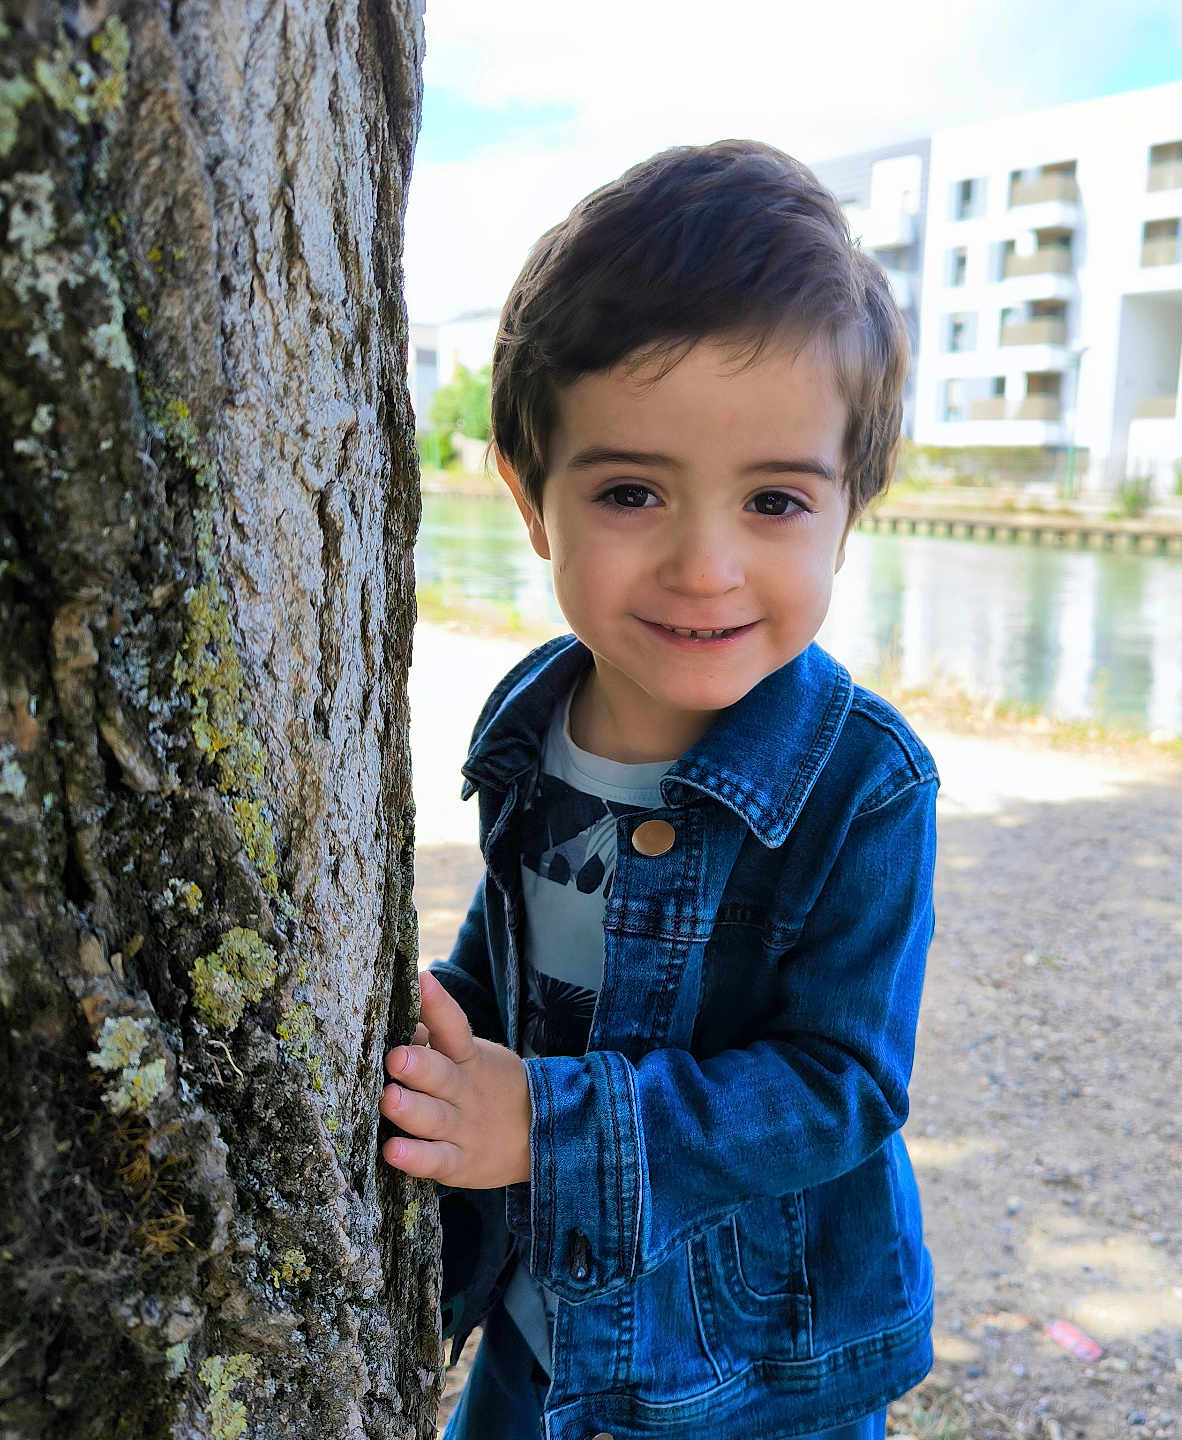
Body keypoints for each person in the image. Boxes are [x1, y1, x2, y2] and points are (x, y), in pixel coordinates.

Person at [379, 140, 938, 1440]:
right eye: (632, 490)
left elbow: (841, 1084)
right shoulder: (530, 723)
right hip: (536, 1335)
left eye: (775, 501)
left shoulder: (866, 784)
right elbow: (514, 946)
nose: (705, 565)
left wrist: (550, 1125)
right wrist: (433, 1031)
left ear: (849, 511)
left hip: (742, 1377)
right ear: (530, 499)